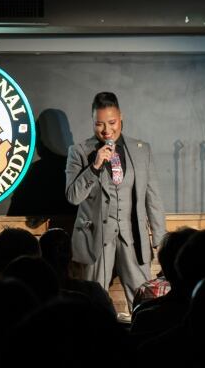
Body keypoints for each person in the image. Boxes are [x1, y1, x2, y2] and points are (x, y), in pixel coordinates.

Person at [65, 92, 166, 310]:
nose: (106, 130)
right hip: (95, 238)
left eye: (112, 122)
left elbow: (153, 198)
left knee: (144, 298)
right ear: (93, 122)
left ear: (121, 118)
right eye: (99, 124)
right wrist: (94, 167)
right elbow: (73, 196)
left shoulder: (142, 150)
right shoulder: (79, 152)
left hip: (132, 236)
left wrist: (161, 239)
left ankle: (142, 338)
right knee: (93, 301)